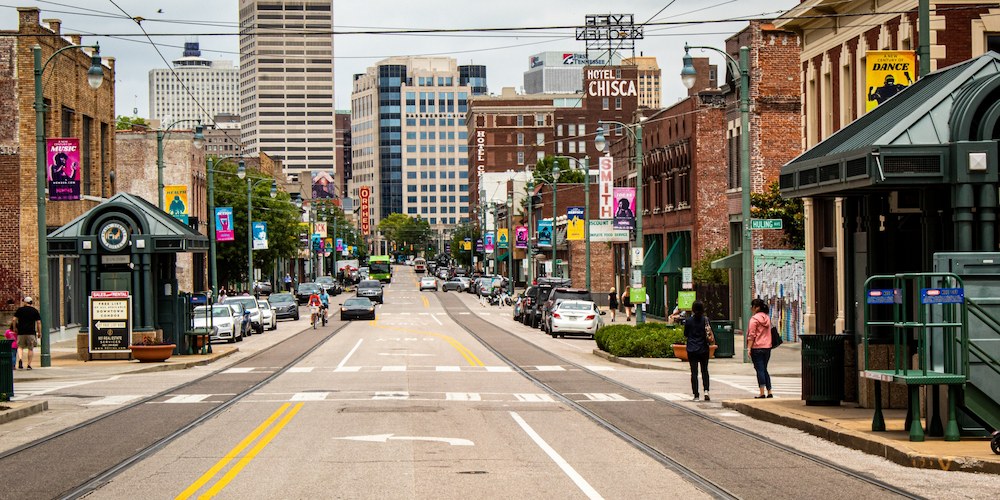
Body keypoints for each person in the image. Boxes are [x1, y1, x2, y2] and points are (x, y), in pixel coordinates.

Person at [684, 301, 712, 401]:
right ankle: (706, 391)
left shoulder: (689, 321)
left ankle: (696, 395)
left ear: (693, 309)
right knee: (705, 370)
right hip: (704, 348)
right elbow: (709, 332)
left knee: (694, 372)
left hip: (692, 349)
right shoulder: (706, 320)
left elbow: (686, 334)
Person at [747, 298, 774, 398]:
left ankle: (762, 392)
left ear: (756, 307)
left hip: (757, 347)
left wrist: (749, 348)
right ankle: (769, 391)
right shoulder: (767, 318)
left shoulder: (754, 320)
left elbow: (751, 335)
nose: (751, 308)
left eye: (752, 306)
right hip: (767, 347)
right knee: (764, 369)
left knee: (760, 370)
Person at [13, 296, 41, 370]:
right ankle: (28, 364)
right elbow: (38, 322)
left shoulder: (20, 310)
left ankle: (20, 359)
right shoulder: (34, 311)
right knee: (30, 348)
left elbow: (14, 319)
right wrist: (39, 332)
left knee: (20, 347)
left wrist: (14, 328)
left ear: (25, 302)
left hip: (21, 332)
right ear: (31, 302)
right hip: (31, 332)